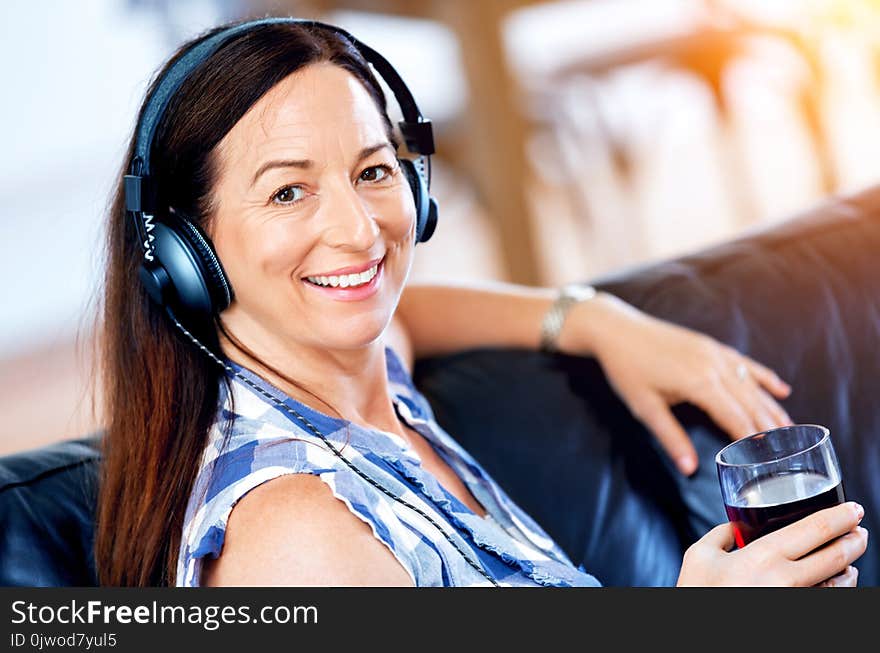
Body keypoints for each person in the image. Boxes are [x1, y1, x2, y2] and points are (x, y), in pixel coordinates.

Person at [94, 17, 867, 587]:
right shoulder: (300, 541)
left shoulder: (348, 384)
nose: (360, 231)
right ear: (184, 256)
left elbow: (409, 313)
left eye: (372, 171)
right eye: (288, 192)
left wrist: (597, 320)